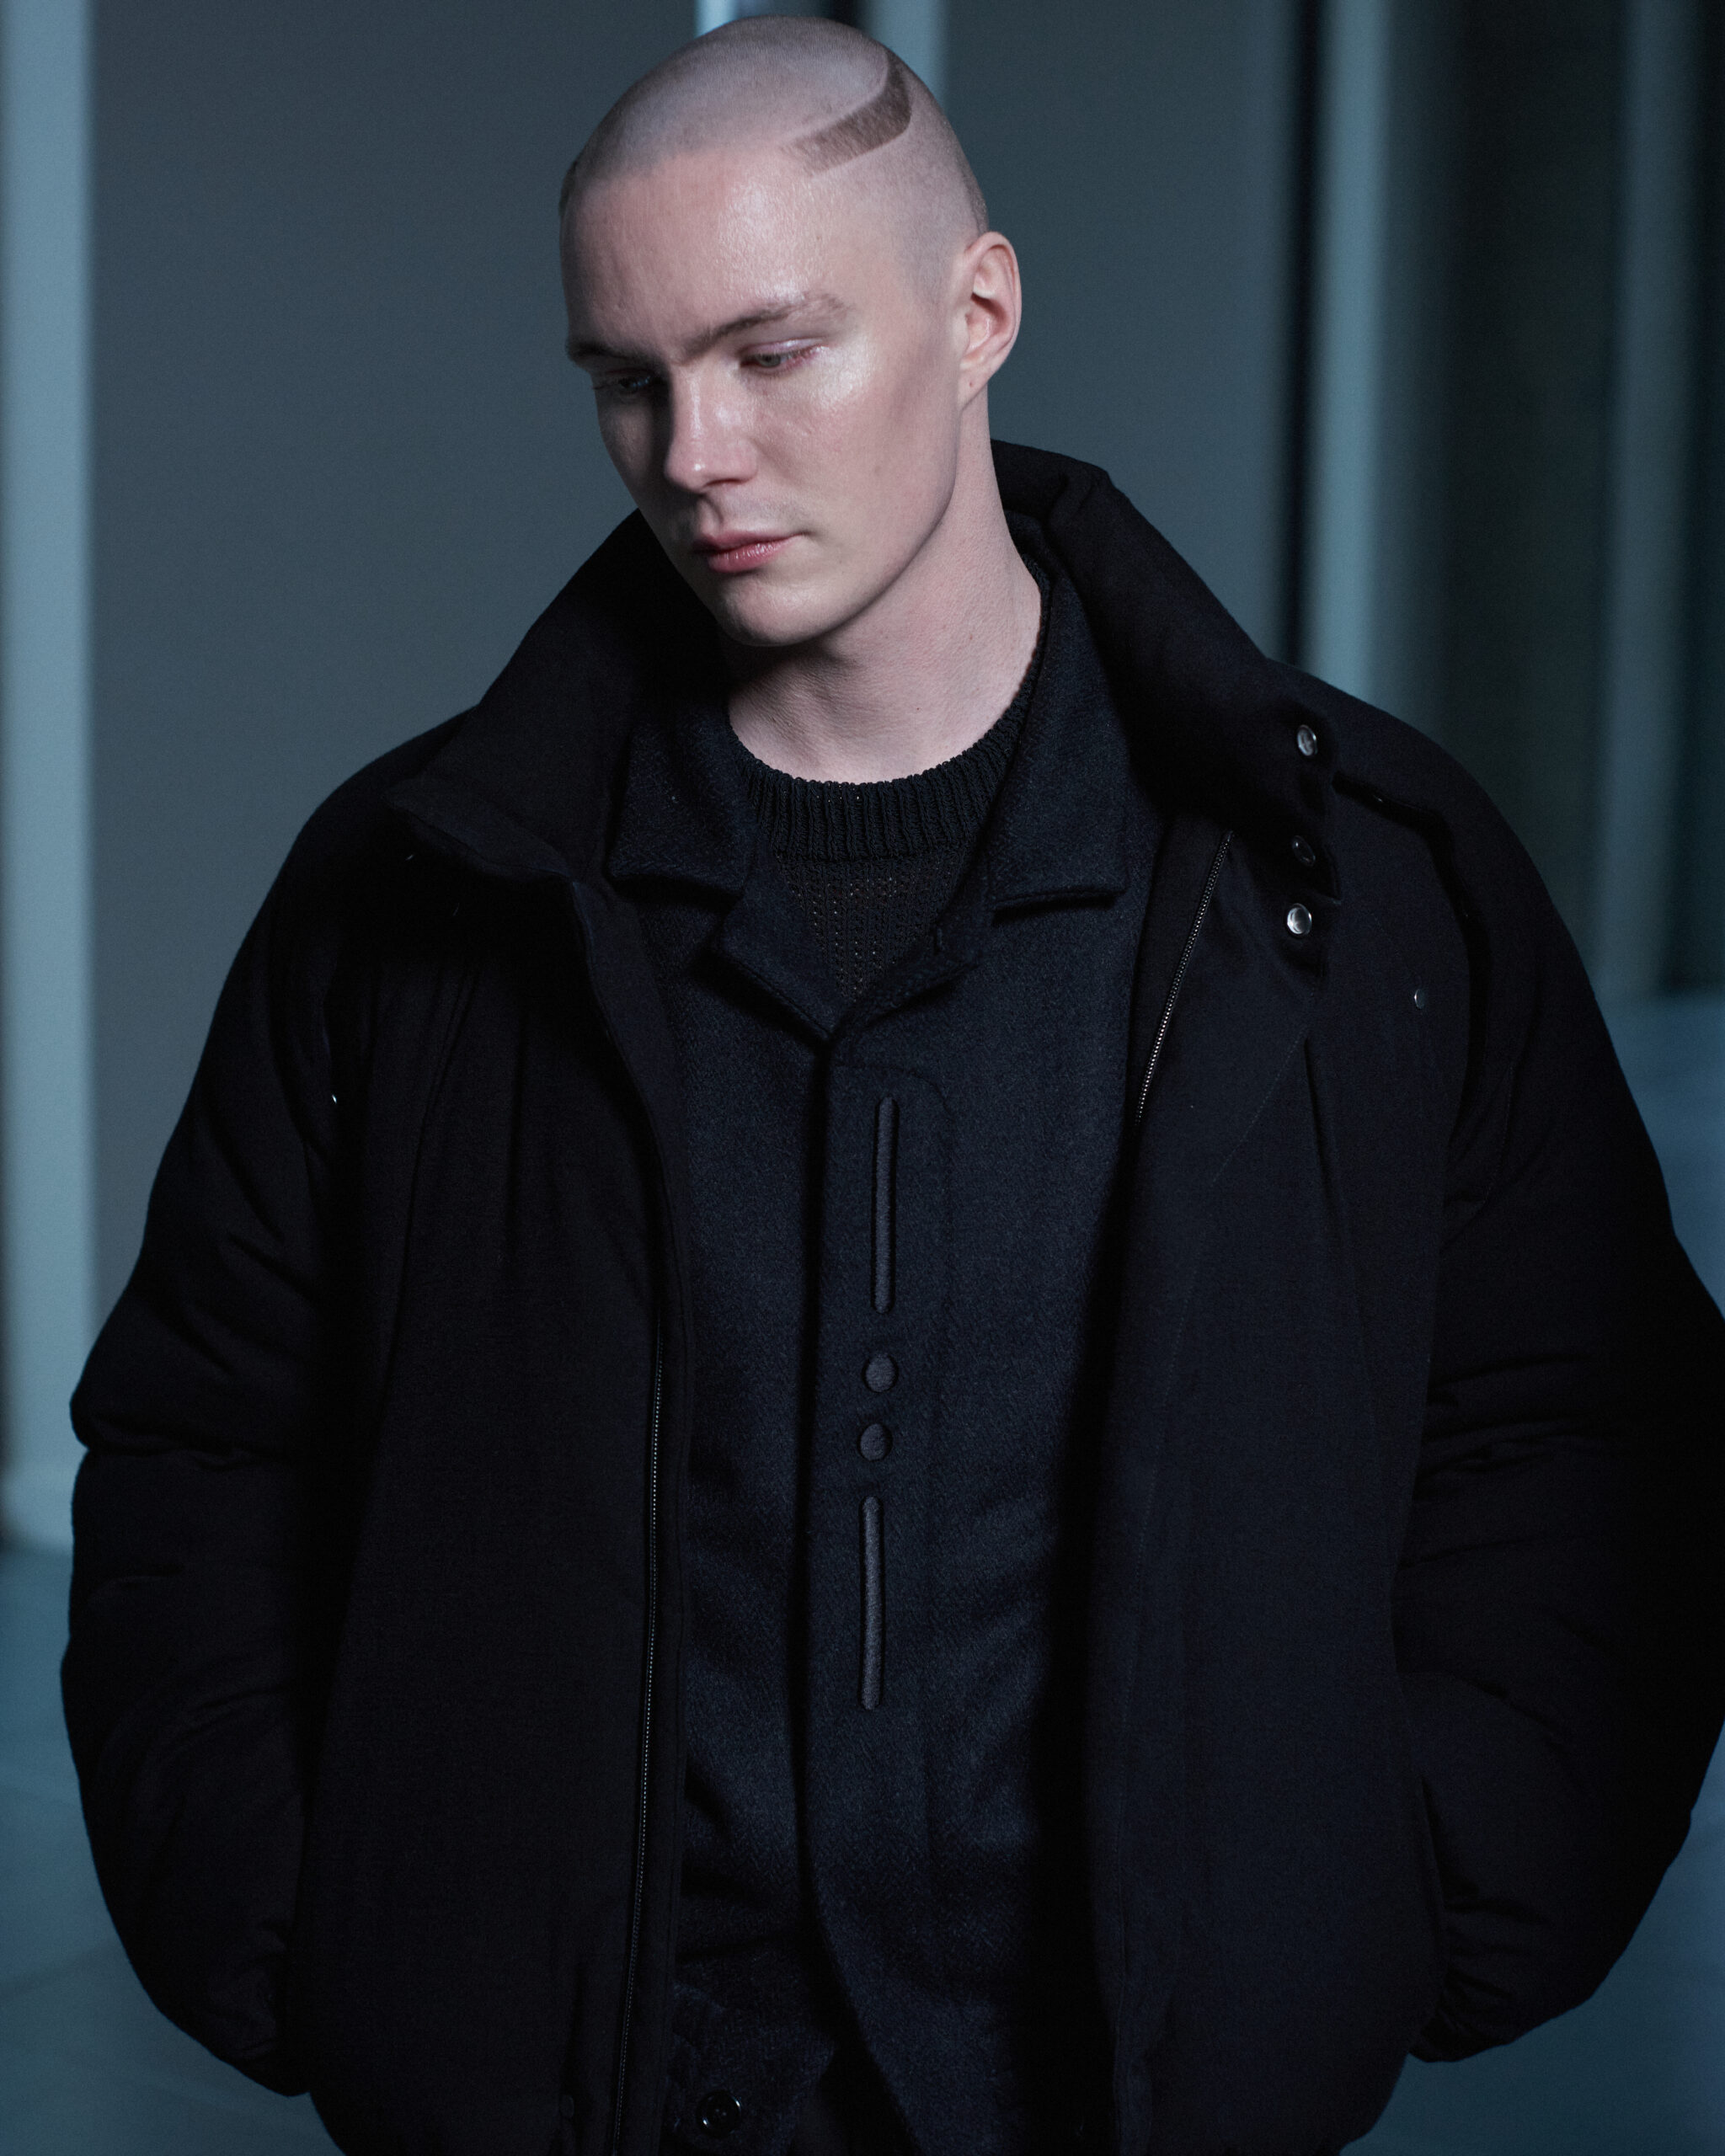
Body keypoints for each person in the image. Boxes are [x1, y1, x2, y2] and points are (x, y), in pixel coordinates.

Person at [61, 19, 1725, 2156]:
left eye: (771, 352)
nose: (694, 452)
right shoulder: (412, 889)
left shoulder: (1358, 875)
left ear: (977, 311)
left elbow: (1578, 1423)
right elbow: (209, 1439)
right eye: (626, 378)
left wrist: (1411, 1896)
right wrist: (310, 1932)